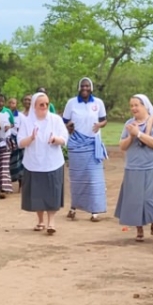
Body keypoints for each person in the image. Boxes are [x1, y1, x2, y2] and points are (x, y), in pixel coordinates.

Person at [115, 94, 153, 242]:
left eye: (136, 105)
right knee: (134, 199)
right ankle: (139, 230)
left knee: (151, 196)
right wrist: (131, 136)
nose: (133, 108)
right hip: (133, 166)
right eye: (131, 106)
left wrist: (139, 133)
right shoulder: (129, 124)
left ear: (145, 106)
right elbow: (122, 146)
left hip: (151, 165)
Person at [18, 92, 69, 235]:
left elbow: (65, 139)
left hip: (52, 162)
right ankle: (40, 221)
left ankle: (51, 222)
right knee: (37, 193)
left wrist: (56, 139)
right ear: (34, 106)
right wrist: (31, 138)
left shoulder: (56, 120)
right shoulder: (27, 122)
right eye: (41, 104)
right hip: (33, 163)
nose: (44, 107)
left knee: (52, 193)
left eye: (47, 104)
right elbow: (20, 143)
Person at [63, 77, 109, 221]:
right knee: (77, 178)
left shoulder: (98, 102)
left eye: (87, 86)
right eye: (82, 86)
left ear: (91, 88)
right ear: (79, 87)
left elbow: (104, 120)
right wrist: (68, 126)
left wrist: (99, 125)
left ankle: (95, 211)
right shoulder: (71, 103)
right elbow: (64, 121)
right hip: (76, 144)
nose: (85, 88)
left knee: (94, 178)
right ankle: (73, 208)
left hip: (92, 144)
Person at [8, 95, 31, 187]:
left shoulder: (21, 116)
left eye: (13, 103)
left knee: (20, 163)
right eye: (10, 102)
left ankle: (21, 185)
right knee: (9, 163)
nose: (11, 104)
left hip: (19, 142)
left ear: (16, 104)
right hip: (9, 142)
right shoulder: (6, 114)